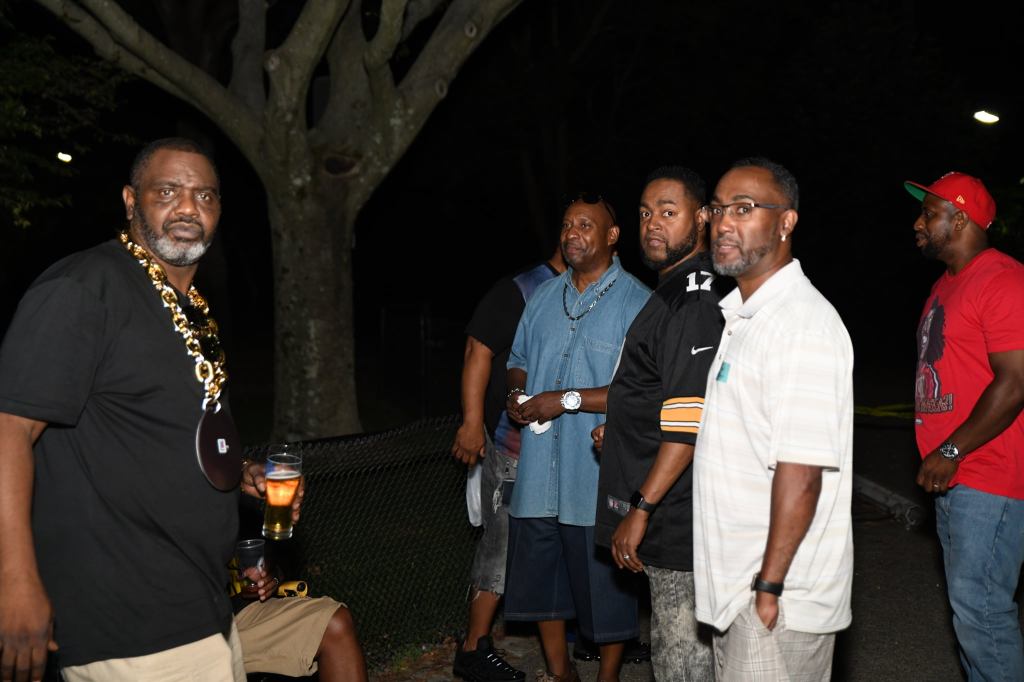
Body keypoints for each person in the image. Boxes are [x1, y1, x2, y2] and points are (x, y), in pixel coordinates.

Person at [0, 137, 293, 682]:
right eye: (168, 191)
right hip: (130, 619)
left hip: (201, 603)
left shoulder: (190, 308)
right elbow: (9, 429)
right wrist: (15, 583)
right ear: (131, 201)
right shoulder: (85, 289)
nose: (188, 208)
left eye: (205, 195)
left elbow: (165, 431)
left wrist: (240, 471)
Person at [692, 157, 854, 680]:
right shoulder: (746, 316)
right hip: (740, 591)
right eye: (718, 209)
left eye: (744, 209)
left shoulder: (800, 325)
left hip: (776, 601)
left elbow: (801, 471)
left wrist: (768, 587)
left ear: (786, 222)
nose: (723, 223)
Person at [503, 193, 651, 682]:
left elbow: (639, 391)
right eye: (567, 225)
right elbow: (517, 359)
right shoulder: (543, 297)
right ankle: (560, 673)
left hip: (594, 475)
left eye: (586, 225)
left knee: (606, 590)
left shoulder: (637, 302)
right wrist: (517, 392)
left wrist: (562, 399)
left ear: (612, 235)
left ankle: (607, 677)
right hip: (538, 474)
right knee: (542, 584)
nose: (572, 233)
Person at [593, 166, 725, 681]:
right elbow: (668, 391)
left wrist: (641, 508)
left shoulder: (693, 298)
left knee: (681, 661)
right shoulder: (672, 291)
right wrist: (624, 425)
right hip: (670, 505)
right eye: (646, 213)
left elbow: (690, 420)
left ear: (703, 217)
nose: (653, 224)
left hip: (678, 515)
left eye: (669, 212)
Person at [905, 171, 1024, 681]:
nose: (918, 223)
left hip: (988, 474)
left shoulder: (1003, 280)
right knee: (971, 614)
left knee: (983, 614)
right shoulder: (944, 286)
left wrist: (951, 450)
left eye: (929, 213)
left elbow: (1016, 382)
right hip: (957, 476)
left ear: (960, 219)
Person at [451, 244, 565, 681]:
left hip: (564, 449)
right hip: (513, 446)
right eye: (572, 225)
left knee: (553, 546)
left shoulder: (587, 290)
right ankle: (473, 648)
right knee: (501, 542)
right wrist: (471, 423)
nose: (578, 236)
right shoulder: (523, 288)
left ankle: (570, 647)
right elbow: (476, 350)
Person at [232, 559, 368, 680]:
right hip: (220, 624)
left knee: (333, 623)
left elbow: (281, 561)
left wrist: (273, 576)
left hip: (245, 609)